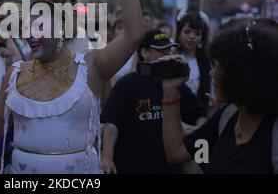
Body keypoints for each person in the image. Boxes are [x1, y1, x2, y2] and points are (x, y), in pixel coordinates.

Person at [0, 0, 144, 174]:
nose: (30, 35)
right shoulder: (15, 73)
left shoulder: (90, 67)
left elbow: (134, 35)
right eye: (27, 27)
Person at [161, 18, 278, 173]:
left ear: (246, 75)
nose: (212, 73)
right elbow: (176, 152)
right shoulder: (227, 116)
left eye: (221, 67)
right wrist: (170, 89)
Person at [100, 30, 207, 174]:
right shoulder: (127, 84)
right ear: (144, 52)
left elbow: (200, 114)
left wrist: (195, 130)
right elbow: (111, 125)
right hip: (131, 167)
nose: (166, 55)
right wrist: (107, 157)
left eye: (168, 50)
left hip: (169, 168)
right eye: (160, 51)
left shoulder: (176, 84)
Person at [175, 10, 212, 107]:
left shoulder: (208, 60)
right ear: (178, 33)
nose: (192, 37)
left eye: (197, 33)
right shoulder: (171, 56)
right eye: (187, 32)